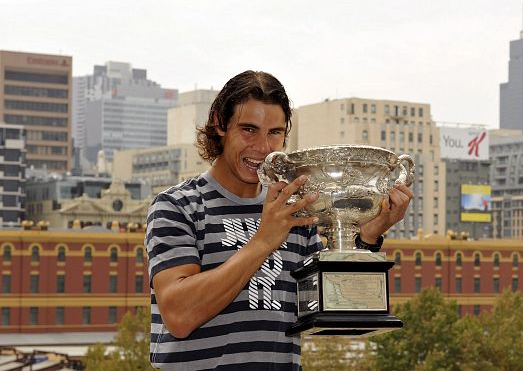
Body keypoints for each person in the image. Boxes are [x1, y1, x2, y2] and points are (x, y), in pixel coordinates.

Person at [146, 70, 412, 370]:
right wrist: (262, 242)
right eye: (249, 130)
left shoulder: (295, 209)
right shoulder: (178, 205)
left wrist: (368, 236)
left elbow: (332, 301)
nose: (262, 147)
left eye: (275, 132)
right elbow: (179, 317)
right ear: (220, 125)